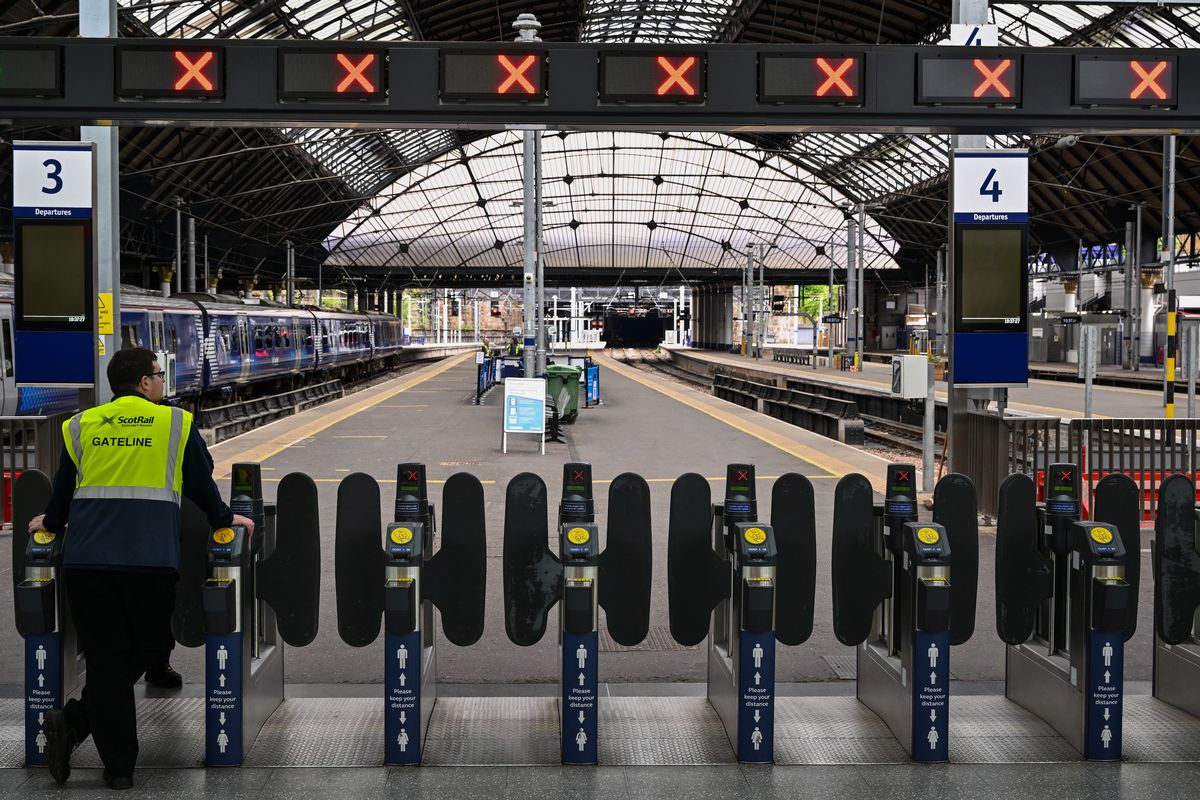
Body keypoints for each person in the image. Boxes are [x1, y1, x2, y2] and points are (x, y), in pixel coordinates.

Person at [28, 347, 255, 790]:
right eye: (158, 373)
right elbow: (200, 483)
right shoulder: (175, 423)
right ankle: (79, 728)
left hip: (87, 560)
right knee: (151, 644)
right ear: (145, 383)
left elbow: (63, 487)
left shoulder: (82, 424)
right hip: (148, 558)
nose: (161, 379)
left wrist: (51, 523)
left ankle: (115, 766)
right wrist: (227, 520)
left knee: (108, 658)